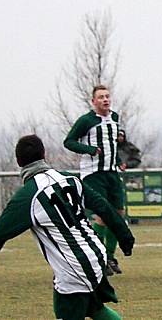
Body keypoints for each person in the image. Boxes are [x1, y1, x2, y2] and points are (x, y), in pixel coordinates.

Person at [0, 135, 134, 320]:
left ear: (18, 162)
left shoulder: (29, 195)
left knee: (68, 313)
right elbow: (104, 208)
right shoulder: (69, 179)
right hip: (96, 254)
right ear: (44, 154)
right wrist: (125, 238)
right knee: (95, 309)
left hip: (74, 266)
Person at [64, 85, 127, 275]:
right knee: (102, 215)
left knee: (118, 214)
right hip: (93, 174)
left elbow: (111, 145)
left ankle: (110, 257)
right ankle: (100, 259)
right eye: (101, 97)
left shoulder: (114, 118)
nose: (105, 100)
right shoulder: (86, 121)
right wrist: (89, 150)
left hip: (112, 173)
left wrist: (118, 161)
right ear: (93, 101)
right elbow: (69, 141)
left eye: (107, 96)